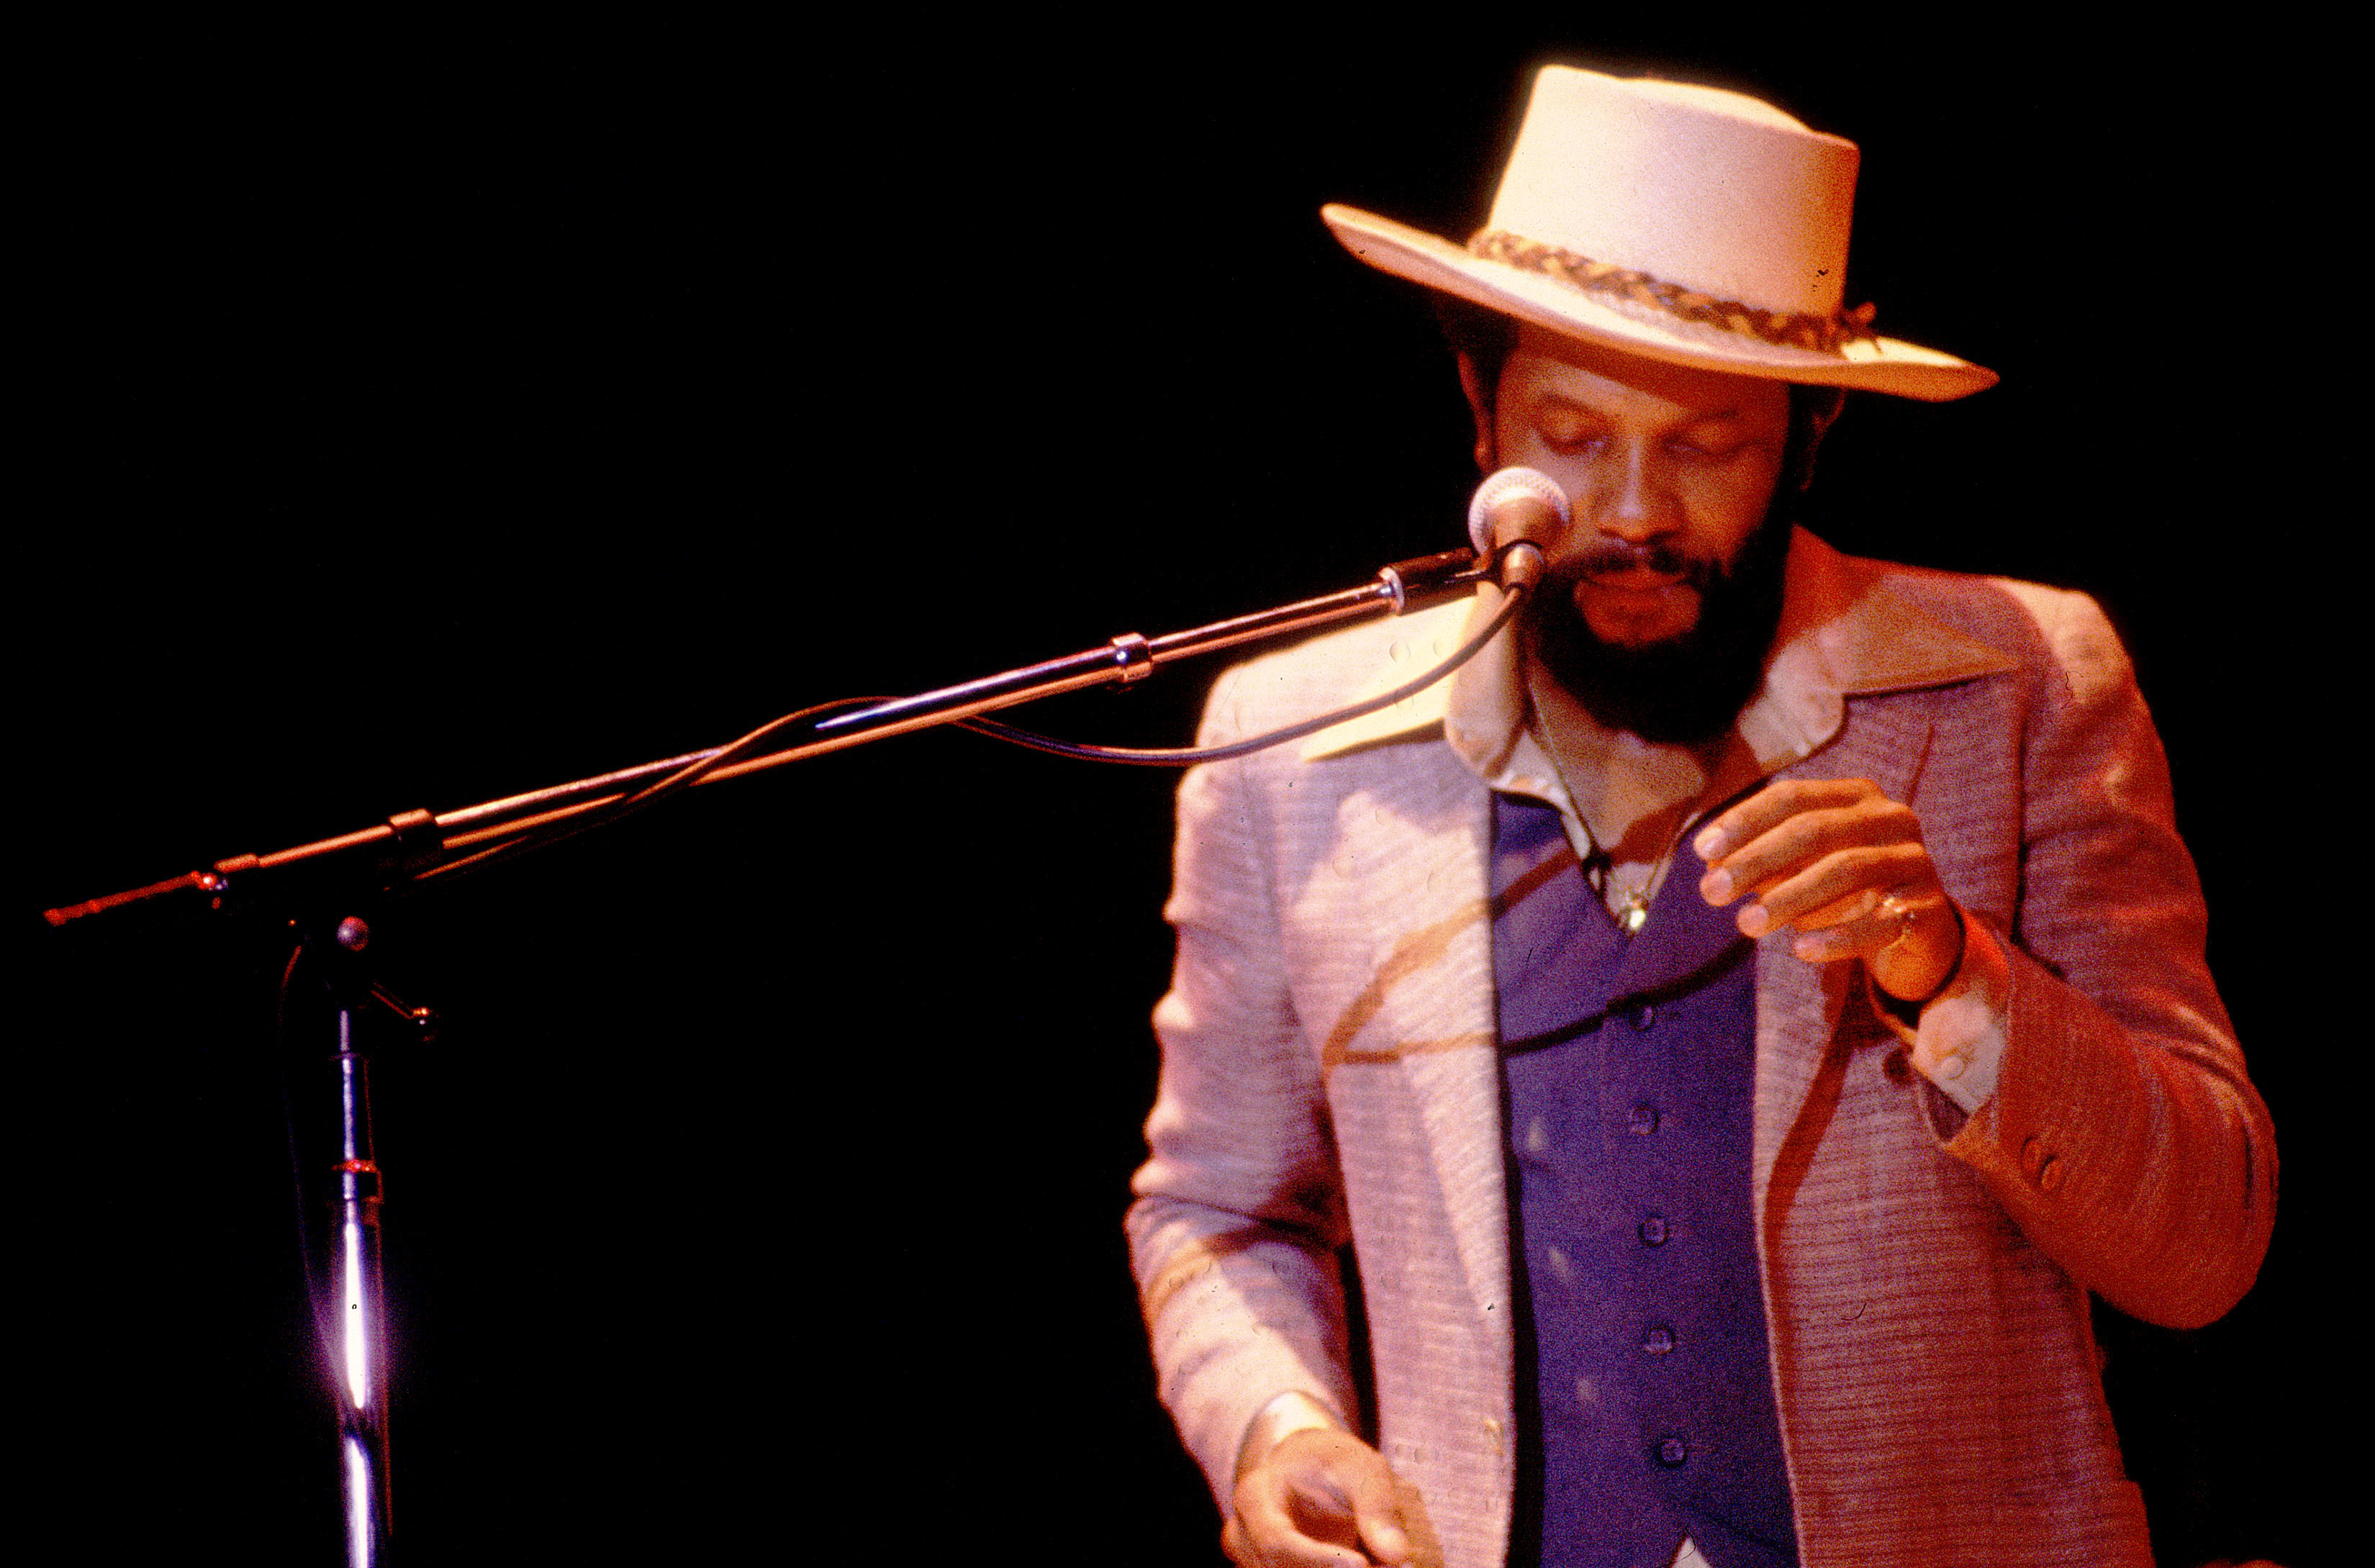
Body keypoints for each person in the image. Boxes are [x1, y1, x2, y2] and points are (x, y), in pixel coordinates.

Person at [1126, 65, 2276, 1568]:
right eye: (1574, 432)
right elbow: (1216, 1211)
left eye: (1710, 444)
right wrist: (1277, 1429)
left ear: (1809, 440)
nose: (1638, 510)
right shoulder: (1295, 749)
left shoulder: (2021, 686)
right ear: (1480, 414)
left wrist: (1956, 977)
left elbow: (2205, 1246)